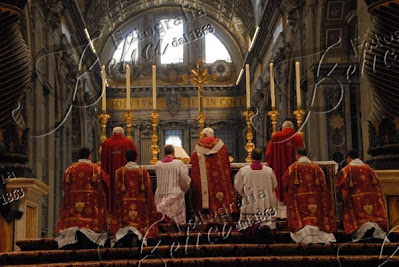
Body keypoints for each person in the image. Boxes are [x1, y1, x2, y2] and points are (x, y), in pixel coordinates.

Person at [56, 147, 110, 249]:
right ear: (89, 156)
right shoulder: (96, 169)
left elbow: (64, 186)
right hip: (91, 211)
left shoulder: (69, 169)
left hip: (74, 209)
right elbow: (106, 184)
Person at [283, 148, 336, 244]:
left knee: (303, 221)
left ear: (297, 155)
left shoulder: (292, 168)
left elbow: (284, 183)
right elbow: (324, 185)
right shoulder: (317, 168)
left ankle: (305, 237)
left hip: (300, 201)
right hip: (315, 201)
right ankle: (322, 237)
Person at [337, 149, 389, 242]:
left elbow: (343, 188)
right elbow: (377, 186)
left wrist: (344, 200)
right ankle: (374, 232)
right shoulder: (369, 169)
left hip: (356, 202)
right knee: (370, 218)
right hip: (371, 200)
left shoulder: (347, 170)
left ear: (348, 158)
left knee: (359, 219)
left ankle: (363, 234)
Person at [110, 150, 158, 247]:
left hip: (124, 204)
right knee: (139, 221)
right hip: (140, 205)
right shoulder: (143, 172)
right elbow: (148, 190)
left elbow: (116, 191)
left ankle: (125, 237)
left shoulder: (119, 172)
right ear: (137, 158)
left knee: (125, 221)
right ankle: (138, 237)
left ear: (125, 158)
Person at [190, 127, 237, 222]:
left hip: (206, 181)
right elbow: (226, 163)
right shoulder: (221, 146)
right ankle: (223, 219)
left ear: (204, 135)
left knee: (206, 198)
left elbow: (194, 160)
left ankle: (207, 220)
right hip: (220, 180)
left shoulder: (199, 146)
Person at [234, 148, 278, 242]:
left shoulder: (244, 171)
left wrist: (245, 195)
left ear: (251, 157)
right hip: (265, 201)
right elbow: (274, 185)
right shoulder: (269, 171)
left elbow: (238, 186)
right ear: (261, 158)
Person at [265, 120, 305, 219]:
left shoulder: (276, 136)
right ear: (292, 128)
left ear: (283, 128)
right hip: (295, 171)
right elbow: (303, 152)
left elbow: (268, 154)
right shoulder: (298, 137)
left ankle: (280, 215)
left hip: (279, 170)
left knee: (279, 187)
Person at [101, 126, 137, 210]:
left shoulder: (106, 143)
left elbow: (103, 160)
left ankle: (111, 208)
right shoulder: (128, 142)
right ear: (122, 133)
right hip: (126, 174)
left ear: (113, 133)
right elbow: (134, 156)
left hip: (110, 174)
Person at [155, 145, 191, 224]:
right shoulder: (178, 164)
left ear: (164, 154)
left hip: (160, 196)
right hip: (175, 195)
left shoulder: (158, 165)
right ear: (174, 153)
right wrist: (184, 189)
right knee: (176, 224)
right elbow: (185, 180)